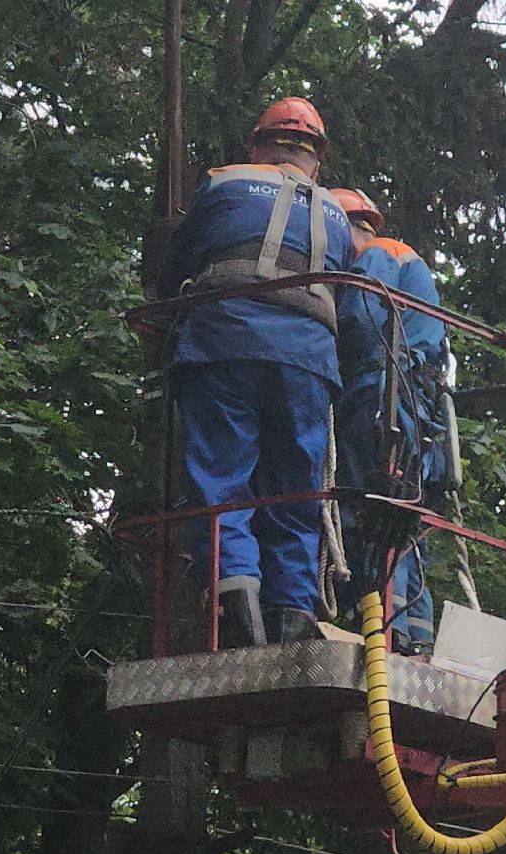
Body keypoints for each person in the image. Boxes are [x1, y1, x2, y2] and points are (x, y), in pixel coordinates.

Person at [158, 98, 354, 646]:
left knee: (223, 478)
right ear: (317, 158)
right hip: (309, 361)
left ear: (256, 144)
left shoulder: (224, 184)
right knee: (296, 490)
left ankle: (237, 619)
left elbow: (174, 266)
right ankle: (292, 616)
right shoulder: (337, 216)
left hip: (227, 342)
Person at [330, 188, 447, 653]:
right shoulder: (404, 259)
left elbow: (357, 320)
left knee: (369, 510)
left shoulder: (378, 256)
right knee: (403, 519)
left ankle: (383, 626)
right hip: (412, 404)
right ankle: (412, 634)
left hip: (382, 394)